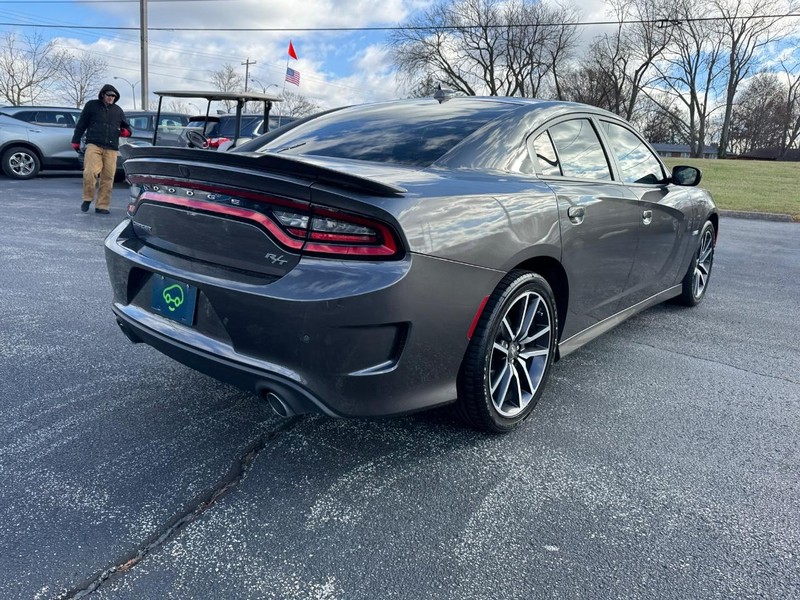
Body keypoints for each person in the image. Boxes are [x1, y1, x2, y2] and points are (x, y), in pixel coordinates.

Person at [71, 83, 131, 215]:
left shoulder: (118, 110)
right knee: (90, 171)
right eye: (109, 95)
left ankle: (102, 206)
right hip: (94, 144)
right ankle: (87, 199)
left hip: (111, 148)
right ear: (103, 94)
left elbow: (128, 128)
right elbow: (81, 123)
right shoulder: (91, 105)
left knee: (108, 177)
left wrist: (125, 132)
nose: (111, 98)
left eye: (114, 96)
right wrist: (75, 140)